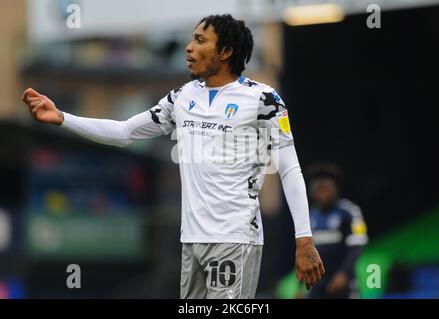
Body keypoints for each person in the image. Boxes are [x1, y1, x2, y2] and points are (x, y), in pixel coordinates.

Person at [21, 14, 324, 299]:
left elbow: (289, 169)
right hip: (191, 241)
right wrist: (63, 117)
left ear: (226, 52)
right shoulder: (182, 97)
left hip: (235, 239)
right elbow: (125, 132)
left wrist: (304, 238)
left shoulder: (263, 100)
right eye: (191, 39)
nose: (189, 48)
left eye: (201, 41)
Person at [305, 163, 368, 299]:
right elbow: (304, 252)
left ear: (335, 188)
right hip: (316, 286)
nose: (322, 189)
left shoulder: (350, 211)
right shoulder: (309, 215)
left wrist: (343, 274)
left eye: (326, 187)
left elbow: (357, 246)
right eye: (318, 187)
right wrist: (300, 286)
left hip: (343, 285)